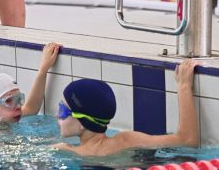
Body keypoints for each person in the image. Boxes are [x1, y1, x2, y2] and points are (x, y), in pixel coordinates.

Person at [53, 60, 199, 156]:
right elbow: (188, 140)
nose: (57, 115)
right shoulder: (127, 141)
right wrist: (184, 86)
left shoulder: (66, 151)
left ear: (82, 123)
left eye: (63, 110)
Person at [0, 42, 61, 124]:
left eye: (19, 98)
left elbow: (31, 108)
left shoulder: (5, 117)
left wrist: (43, 69)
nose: (18, 106)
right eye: (9, 100)